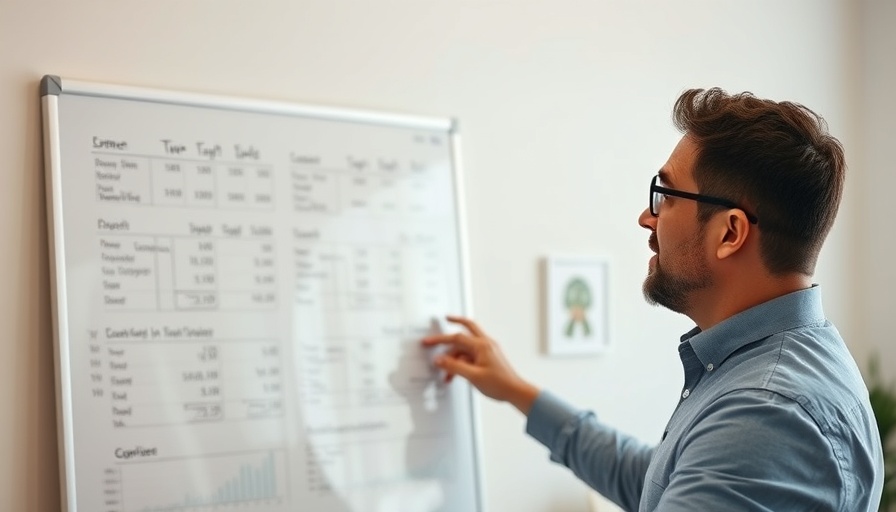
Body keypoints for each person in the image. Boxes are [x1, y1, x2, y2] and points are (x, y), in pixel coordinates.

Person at [421, 88, 884, 511]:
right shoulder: (781, 370)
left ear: (729, 232)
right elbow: (656, 482)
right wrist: (517, 392)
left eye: (664, 195)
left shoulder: (766, 411)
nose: (647, 217)